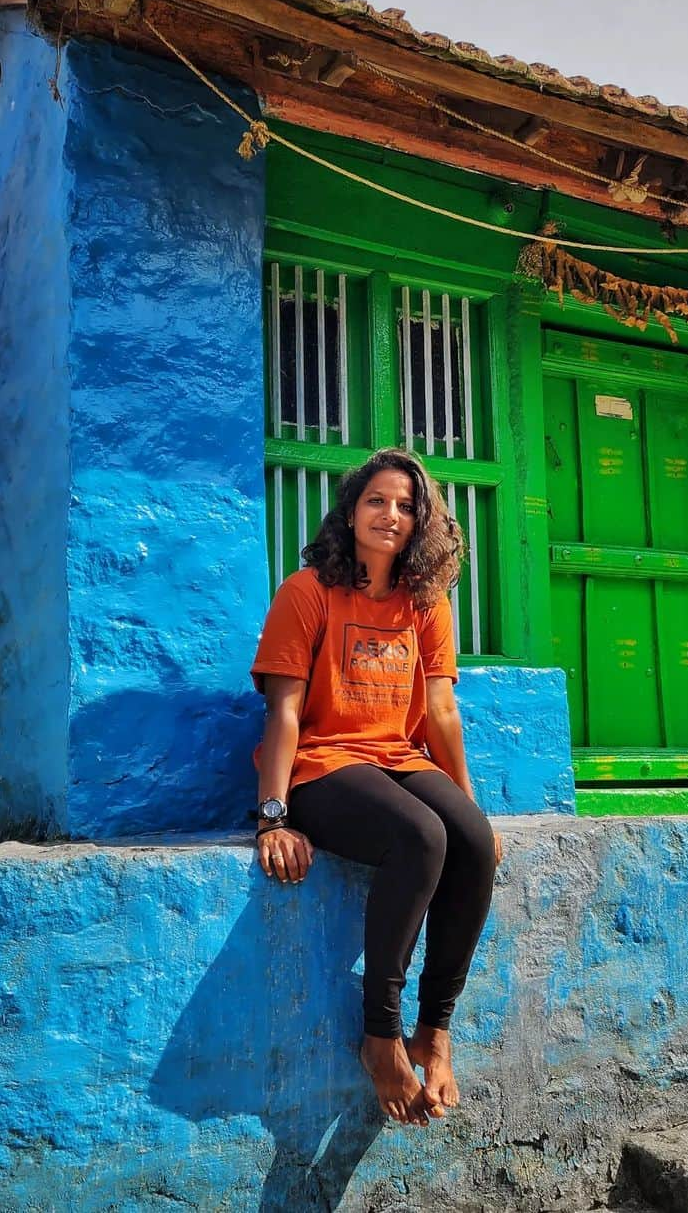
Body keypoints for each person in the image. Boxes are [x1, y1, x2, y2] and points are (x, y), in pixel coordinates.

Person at [250, 448, 502, 1126]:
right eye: (377, 501)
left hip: (396, 756)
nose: (391, 515)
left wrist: (470, 803)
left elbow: (441, 711)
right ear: (352, 510)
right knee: (420, 837)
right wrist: (273, 817)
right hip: (323, 768)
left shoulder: (426, 602)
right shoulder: (307, 592)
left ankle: (435, 1030)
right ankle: (381, 1035)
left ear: (423, 521)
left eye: (406, 505)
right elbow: (285, 711)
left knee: (473, 841)